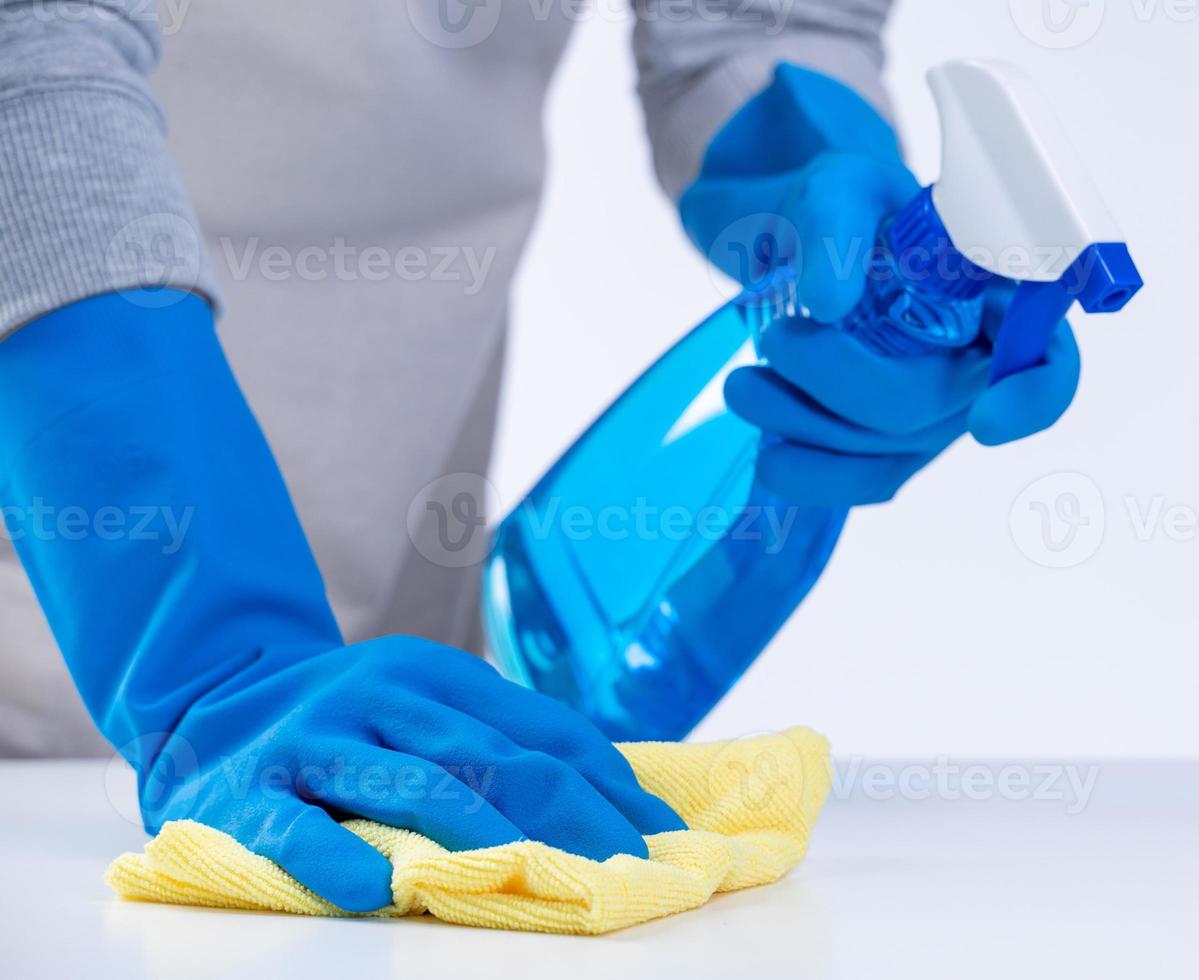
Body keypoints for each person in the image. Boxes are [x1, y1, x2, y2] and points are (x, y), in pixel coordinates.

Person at [0, 0, 1080, 912]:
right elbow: (27, 59)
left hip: (372, 676)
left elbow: (751, 24)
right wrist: (213, 653)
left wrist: (834, 204)